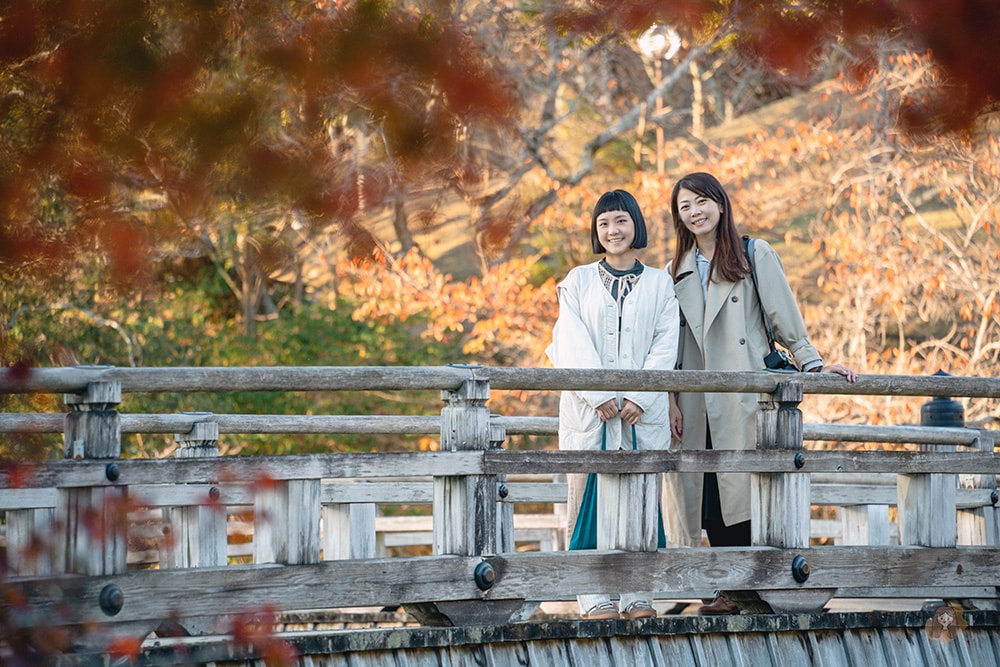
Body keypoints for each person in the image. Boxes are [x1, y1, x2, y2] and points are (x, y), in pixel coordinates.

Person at [663, 172, 856, 615]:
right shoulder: (675, 271)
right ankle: (729, 588)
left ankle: (761, 585)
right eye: (685, 206)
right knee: (707, 492)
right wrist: (670, 398)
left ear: (720, 203)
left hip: (743, 392)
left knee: (746, 488)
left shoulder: (754, 253)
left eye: (701, 202)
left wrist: (813, 363)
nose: (694, 212)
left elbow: (784, 316)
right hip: (695, 398)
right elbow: (668, 345)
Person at [546, 189, 680, 620]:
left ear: (635, 224)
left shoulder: (660, 281)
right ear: (596, 231)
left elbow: (666, 343)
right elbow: (569, 340)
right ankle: (593, 596)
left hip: (643, 412)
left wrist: (641, 395)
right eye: (603, 224)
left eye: (620, 221)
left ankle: (638, 595)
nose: (612, 230)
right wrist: (598, 393)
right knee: (587, 498)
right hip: (591, 412)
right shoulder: (578, 280)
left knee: (641, 498)